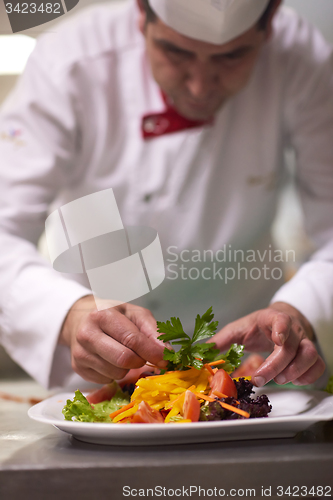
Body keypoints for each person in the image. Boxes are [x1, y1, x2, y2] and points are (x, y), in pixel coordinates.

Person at [0, 0, 332, 390]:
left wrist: (297, 310)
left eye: (233, 56)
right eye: (176, 51)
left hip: (252, 369)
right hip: (103, 369)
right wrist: (71, 315)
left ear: (270, 21)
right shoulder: (70, 61)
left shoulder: (302, 58)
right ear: (141, 14)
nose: (199, 86)